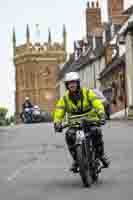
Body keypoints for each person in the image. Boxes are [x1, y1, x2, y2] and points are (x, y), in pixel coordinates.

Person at [53, 72, 110, 171]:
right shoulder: (65, 99)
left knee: (96, 131)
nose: (72, 85)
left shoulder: (88, 93)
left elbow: (97, 103)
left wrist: (101, 114)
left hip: (90, 121)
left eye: (74, 82)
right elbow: (59, 110)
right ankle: (76, 160)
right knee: (69, 135)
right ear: (67, 85)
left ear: (78, 83)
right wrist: (57, 122)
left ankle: (101, 155)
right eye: (69, 83)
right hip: (74, 124)